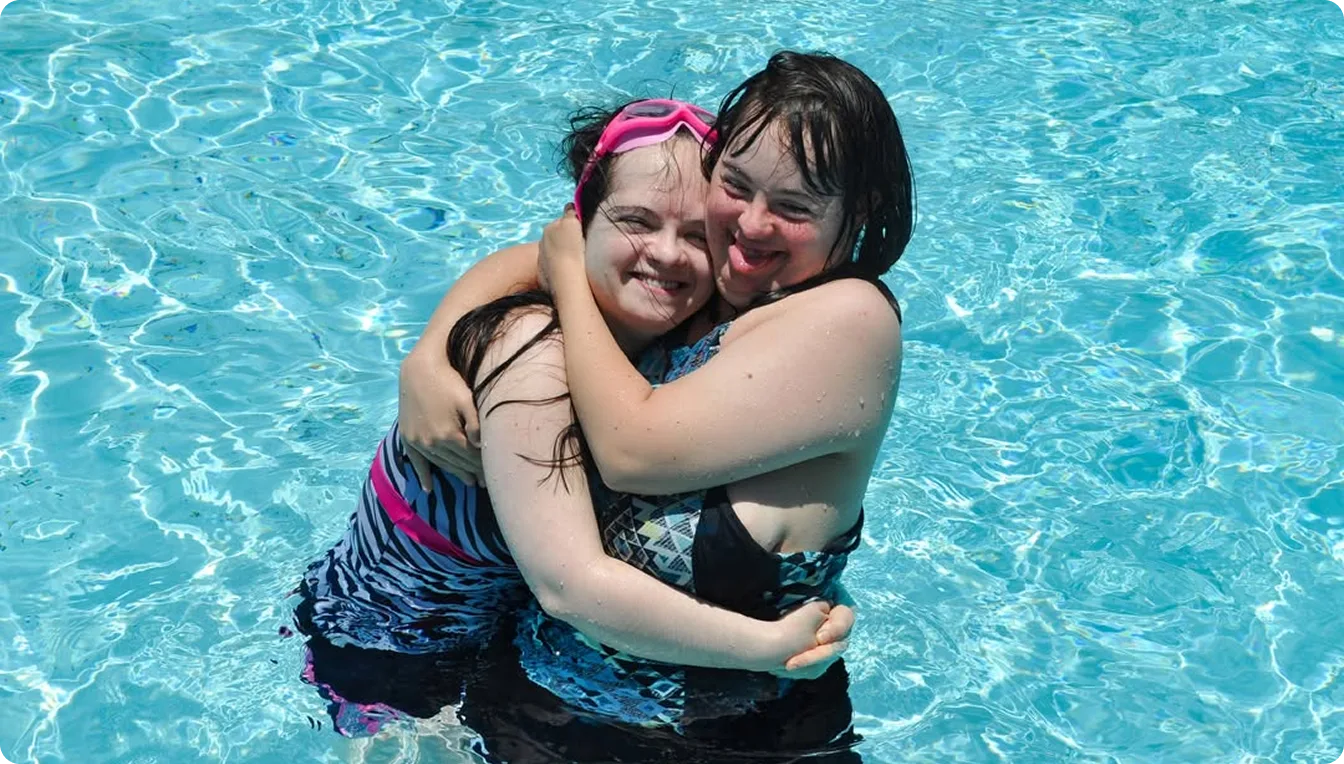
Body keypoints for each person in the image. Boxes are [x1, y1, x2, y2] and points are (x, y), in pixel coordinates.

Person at [402, 50, 914, 761]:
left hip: (735, 740)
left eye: (794, 207)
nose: (752, 224)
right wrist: (427, 358)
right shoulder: (719, 290)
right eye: (735, 185)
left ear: (860, 216)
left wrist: (568, 278)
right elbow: (543, 256)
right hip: (539, 705)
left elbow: (631, 449)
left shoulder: (850, 319)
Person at [293, 96, 854, 738]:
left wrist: (804, 581)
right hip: (390, 648)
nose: (668, 253)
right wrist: (772, 646)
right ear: (578, 228)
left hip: (509, 632)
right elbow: (570, 588)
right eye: (637, 221)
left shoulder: (667, 331)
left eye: (698, 235)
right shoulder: (532, 353)